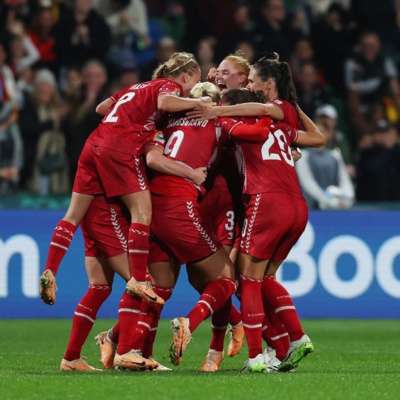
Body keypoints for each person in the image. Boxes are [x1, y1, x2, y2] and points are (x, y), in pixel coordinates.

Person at [38, 52, 212, 309]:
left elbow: (101, 108)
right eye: (192, 84)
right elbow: (165, 102)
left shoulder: (135, 87)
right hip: (120, 148)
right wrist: (201, 102)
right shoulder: (169, 86)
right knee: (142, 214)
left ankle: (50, 271)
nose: (188, 92)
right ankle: (139, 279)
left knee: (72, 215)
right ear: (186, 76)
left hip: (93, 145)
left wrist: (135, 114)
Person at [60, 137, 207, 372]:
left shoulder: (112, 132)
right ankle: (127, 352)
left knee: (103, 288)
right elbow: (151, 159)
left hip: (110, 208)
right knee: (141, 282)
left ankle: (79, 355)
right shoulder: (141, 127)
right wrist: (191, 173)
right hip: (110, 212)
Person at [237, 107, 325, 372]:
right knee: (265, 278)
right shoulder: (283, 129)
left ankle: (256, 356)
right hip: (297, 205)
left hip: (267, 200)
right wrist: (296, 107)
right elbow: (318, 139)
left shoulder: (241, 126)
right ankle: (291, 341)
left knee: (249, 279)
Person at [295, 120, 355, 210]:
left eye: (321, 131)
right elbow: (308, 183)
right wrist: (329, 201)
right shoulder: (303, 156)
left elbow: (344, 181)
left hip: (333, 209)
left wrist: (347, 199)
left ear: (328, 135)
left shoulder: (335, 155)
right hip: (309, 211)